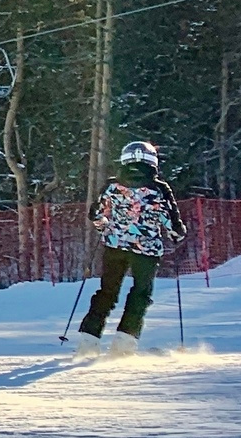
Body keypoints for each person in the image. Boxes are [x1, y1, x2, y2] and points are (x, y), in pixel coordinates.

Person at [79, 140, 186, 355]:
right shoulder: (159, 189)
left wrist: (105, 228)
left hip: (115, 247)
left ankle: (88, 342)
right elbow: (173, 226)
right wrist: (176, 234)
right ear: (152, 162)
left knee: (107, 292)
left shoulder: (112, 185)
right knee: (140, 293)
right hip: (146, 252)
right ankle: (124, 342)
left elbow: (96, 215)